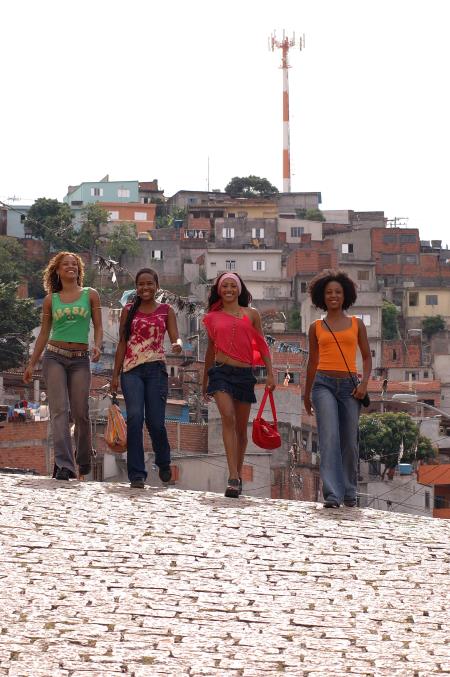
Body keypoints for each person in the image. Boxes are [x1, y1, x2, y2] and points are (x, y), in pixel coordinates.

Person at [23, 252, 103, 480]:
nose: (71, 267)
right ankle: (64, 465)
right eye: (65, 264)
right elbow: (44, 334)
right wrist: (32, 363)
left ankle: (84, 456)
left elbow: (98, 326)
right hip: (54, 357)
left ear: (79, 270)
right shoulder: (51, 299)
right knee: (60, 411)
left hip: (80, 359)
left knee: (81, 412)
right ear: (57, 271)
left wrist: (97, 346)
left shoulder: (90, 295)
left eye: (74, 264)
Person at [202, 272, 275, 498]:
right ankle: (233, 476)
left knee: (241, 431)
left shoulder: (251, 315)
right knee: (228, 417)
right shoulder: (212, 317)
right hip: (221, 372)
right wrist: (204, 379)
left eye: (233, 285)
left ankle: (238, 474)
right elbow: (210, 350)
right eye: (225, 286)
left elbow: (262, 346)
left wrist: (271, 373)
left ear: (240, 289)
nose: (229, 289)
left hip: (244, 374)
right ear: (219, 290)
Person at [303, 269, 372, 508]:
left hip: (350, 387)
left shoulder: (357, 324)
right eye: (329, 292)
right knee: (329, 437)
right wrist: (306, 393)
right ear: (322, 296)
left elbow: (366, 358)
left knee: (350, 442)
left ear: (346, 296)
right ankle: (332, 494)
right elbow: (312, 361)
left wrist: (364, 384)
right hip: (323, 385)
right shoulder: (316, 327)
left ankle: (350, 492)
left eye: (338, 292)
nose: (333, 296)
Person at [111, 268, 182, 489]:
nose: (145, 288)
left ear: (157, 286)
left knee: (156, 423)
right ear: (136, 287)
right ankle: (137, 475)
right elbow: (122, 343)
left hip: (156, 371)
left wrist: (178, 344)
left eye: (149, 284)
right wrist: (115, 375)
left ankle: (163, 462)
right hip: (131, 371)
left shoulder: (166, 310)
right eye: (141, 284)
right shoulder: (128, 310)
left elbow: (174, 335)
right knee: (134, 418)